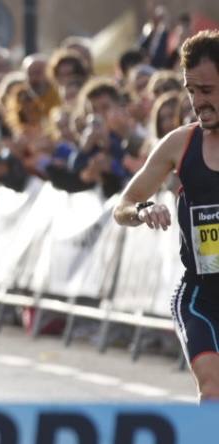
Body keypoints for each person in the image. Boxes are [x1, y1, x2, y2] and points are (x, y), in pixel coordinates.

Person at [114, 30, 219, 399]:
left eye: (207, 90)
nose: (198, 102)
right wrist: (143, 209)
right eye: (192, 91)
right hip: (200, 295)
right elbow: (122, 206)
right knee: (212, 385)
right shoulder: (180, 143)